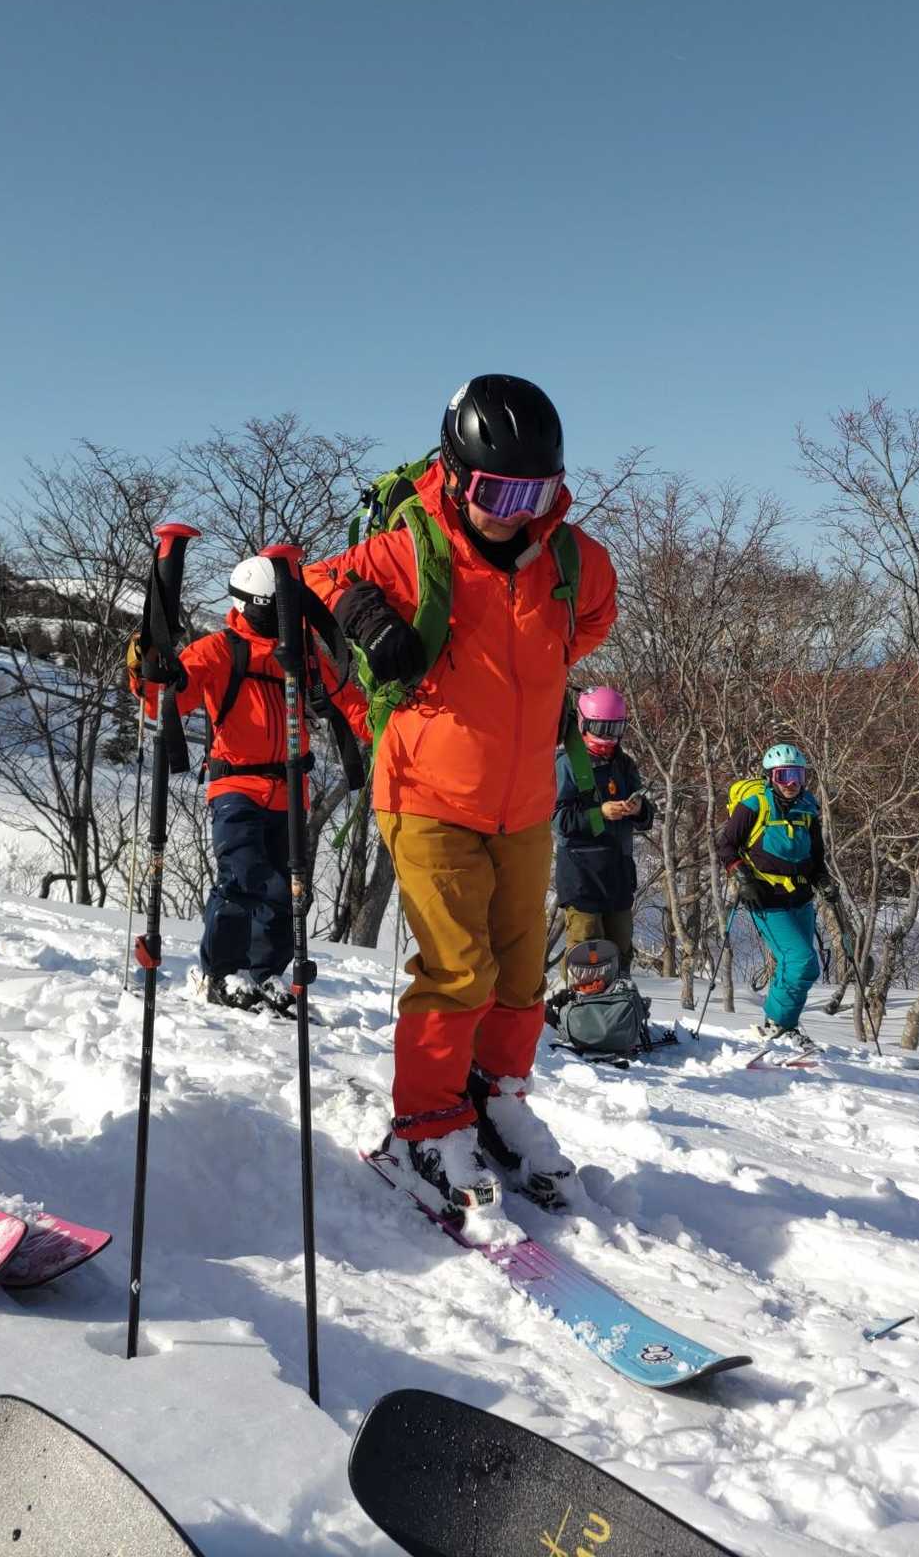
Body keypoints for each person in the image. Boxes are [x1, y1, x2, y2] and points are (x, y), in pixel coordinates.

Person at [305, 375, 617, 1214]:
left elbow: (589, 625)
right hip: (425, 791)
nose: (515, 512)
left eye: (535, 494)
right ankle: (427, 1126)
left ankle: (496, 1095)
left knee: (519, 973)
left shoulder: (574, 562)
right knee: (458, 970)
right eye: (496, 492)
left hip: (524, 801)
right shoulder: (414, 550)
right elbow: (317, 579)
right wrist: (369, 617)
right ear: (453, 473)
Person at [130, 556, 369, 1014]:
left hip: (290, 788)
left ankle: (265, 974)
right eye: (270, 607)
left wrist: (391, 733)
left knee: (288, 889)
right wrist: (147, 669)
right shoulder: (220, 650)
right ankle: (221, 972)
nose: (279, 616)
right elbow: (165, 699)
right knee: (243, 878)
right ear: (247, 605)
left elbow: (346, 700)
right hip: (236, 786)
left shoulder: (299, 654)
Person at [716, 741, 837, 1051]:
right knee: (802, 961)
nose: (791, 783)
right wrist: (742, 877)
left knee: (797, 965)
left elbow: (816, 856)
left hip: (801, 897)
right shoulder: (754, 805)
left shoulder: (807, 807)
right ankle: (779, 1025)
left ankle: (781, 1024)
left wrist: (823, 880)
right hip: (765, 896)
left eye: (798, 775)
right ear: (770, 776)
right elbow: (726, 845)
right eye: (784, 775)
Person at [553, 686, 654, 976]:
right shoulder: (568, 764)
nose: (609, 738)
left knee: (620, 945)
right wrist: (600, 814)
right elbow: (559, 819)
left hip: (618, 871)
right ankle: (578, 998)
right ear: (584, 724)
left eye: (615, 729)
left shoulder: (624, 764)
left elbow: (646, 818)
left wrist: (639, 809)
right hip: (582, 873)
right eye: (602, 729)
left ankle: (618, 997)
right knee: (586, 945)